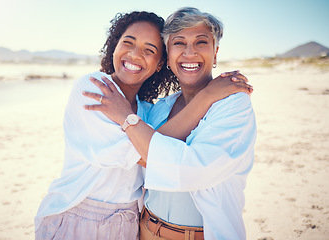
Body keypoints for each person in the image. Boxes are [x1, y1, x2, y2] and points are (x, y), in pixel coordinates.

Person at [35, 10, 251, 240]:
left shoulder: (148, 110)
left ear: (160, 63)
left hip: (130, 224)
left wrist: (130, 120)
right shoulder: (96, 90)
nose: (136, 54)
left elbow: (161, 152)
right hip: (81, 216)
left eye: (149, 50)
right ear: (114, 46)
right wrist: (206, 96)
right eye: (128, 43)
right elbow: (148, 153)